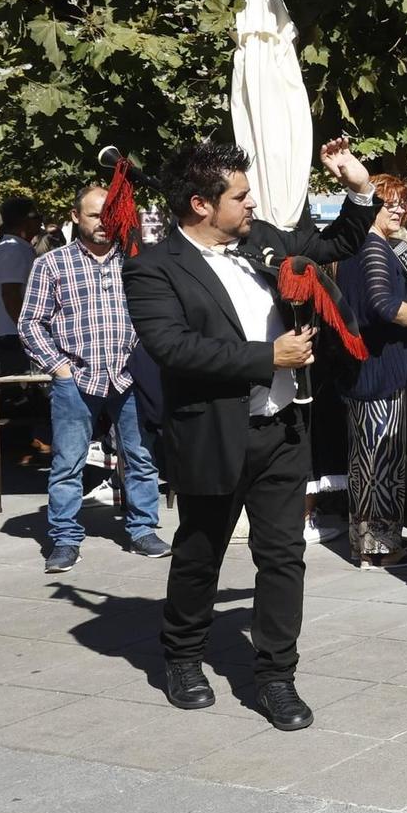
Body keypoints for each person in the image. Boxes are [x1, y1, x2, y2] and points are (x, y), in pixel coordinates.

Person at [124, 136, 379, 731]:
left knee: (284, 557)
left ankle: (276, 676)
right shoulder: (153, 268)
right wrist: (269, 356)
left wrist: (357, 186)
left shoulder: (259, 240)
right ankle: (183, 657)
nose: (251, 203)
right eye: (239, 195)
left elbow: (337, 242)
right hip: (213, 433)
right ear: (200, 204)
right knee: (200, 552)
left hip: (282, 431)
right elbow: (174, 348)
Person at [17, 184, 166, 572]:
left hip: (129, 376)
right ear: (75, 216)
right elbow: (30, 322)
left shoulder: (135, 262)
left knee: (141, 457)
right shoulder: (52, 264)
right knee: (68, 462)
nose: (103, 223)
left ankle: (143, 529)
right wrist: (58, 368)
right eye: (94, 214)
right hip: (76, 378)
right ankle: (65, 540)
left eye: (109, 215)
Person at [334, 174, 407, 570]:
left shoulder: (358, 246)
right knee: (382, 459)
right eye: (388, 203)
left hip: (364, 369)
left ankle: (364, 545)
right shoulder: (374, 247)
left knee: (367, 461)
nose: (398, 209)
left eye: (403, 203)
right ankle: (382, 549)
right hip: (379, 370)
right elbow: (383, 305)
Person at [0, 197, 41, 376]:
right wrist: (29, 333)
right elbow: (10, 295)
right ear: (24, 220)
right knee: (21, 395)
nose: (41, 221)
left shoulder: (19, 247)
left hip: (16, 334)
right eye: (37, 216)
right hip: (15, 335)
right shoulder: (12, 249)